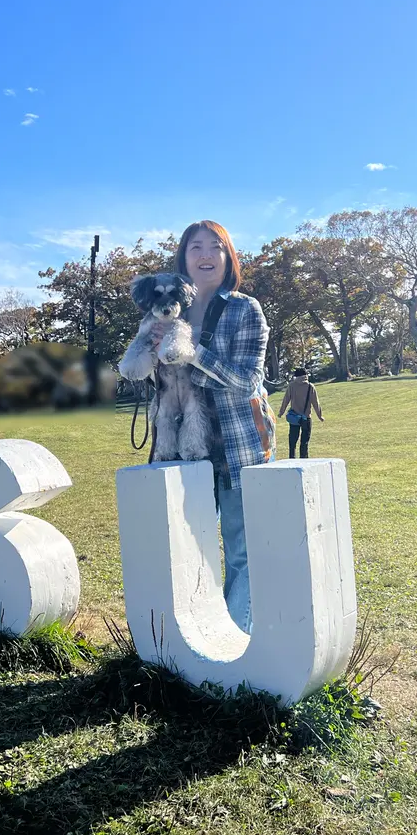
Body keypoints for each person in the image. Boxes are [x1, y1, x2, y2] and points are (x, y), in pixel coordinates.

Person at [148, 219, 275, 634]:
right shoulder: (162, 312)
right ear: (182, 258)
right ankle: (192, 642)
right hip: (181, 447)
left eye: (215, 247)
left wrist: (192, 353)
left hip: (238, 446)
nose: (205, 255)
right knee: (182, 549)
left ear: (228, 257)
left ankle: (236, 646)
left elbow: (245, 382)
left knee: (243, 553)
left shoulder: (243, 308)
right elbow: (161, 382)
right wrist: (155, 360)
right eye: (195, 247)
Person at [278, 368, 324, 458]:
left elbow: (286, 400)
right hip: (306, 418)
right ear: (306, 375)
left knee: (292, 441)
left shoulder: (292, 386)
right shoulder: (310, 386)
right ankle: (304, 459)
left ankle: (291, 459)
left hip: (294, 418)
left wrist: (281, 412)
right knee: (304, 442)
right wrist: (320, 416)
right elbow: (315, 403)